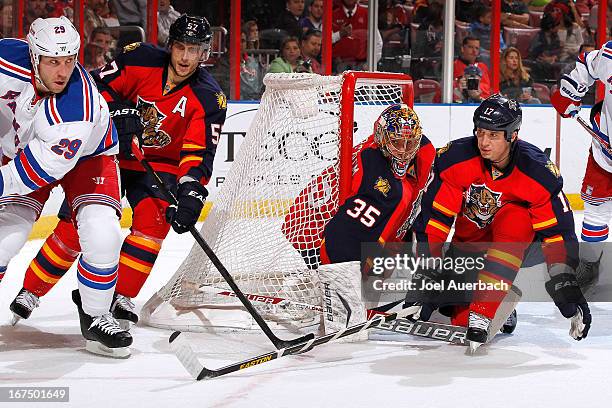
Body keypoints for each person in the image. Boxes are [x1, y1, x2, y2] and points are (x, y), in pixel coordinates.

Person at [10, 14, 227, 331]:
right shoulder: (139, 57)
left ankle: (120, 295)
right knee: (78, 226)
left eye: (193, 50)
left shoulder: (210, 96)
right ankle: (32, 289)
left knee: (154, 222)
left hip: (158, 166)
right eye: (180, 47)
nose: (184, 56)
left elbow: (196, 152)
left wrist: (192, 190)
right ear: (170, 46)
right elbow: (94, 88)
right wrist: (118, 112)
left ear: (204, 53)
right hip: (107, 151)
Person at [410, 94, 591, 350]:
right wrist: (428, 267)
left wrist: (566, 283)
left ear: (512, 135)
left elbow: (556, 234)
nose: (483, 142)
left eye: (493, 135)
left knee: (518, 217)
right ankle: (499, 305)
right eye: (480, 132)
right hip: (468, 246)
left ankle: (485, 310)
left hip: (512, 248)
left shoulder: (537, 172)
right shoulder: (455, 159)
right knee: (455, 314)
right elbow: (435, 218)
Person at [0, 17, 131, 357]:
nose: (62, 71)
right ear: (33, 56)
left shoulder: (77, 106)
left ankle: (96, 314)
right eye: (53, 61)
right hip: (22, 149)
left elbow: (33, 173)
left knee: (102, 233)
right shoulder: (5, 59)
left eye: (69, 60)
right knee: (5, 238)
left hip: (88, 157)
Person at [282, 104, 435, 267]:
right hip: (311, 230)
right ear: (382, 137)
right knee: (342, 281)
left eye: (409, 144)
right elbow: (352, 238)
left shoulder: (380, 150)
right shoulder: (374, 171)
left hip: (314, 217)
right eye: (397, 143)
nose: (403, 151)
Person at [551, 43, 612, 290]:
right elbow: (588, 63)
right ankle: (589, 263)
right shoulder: (610, 53)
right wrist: (571, 93)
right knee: (596, 208)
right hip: (604, 152)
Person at [453, 36, 491, 103]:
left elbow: (487, 89)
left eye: (476, 48)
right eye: (470, 47)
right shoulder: (453, 66)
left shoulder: (482, 67)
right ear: (462, 48)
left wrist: (474, 85)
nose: (474, 51)